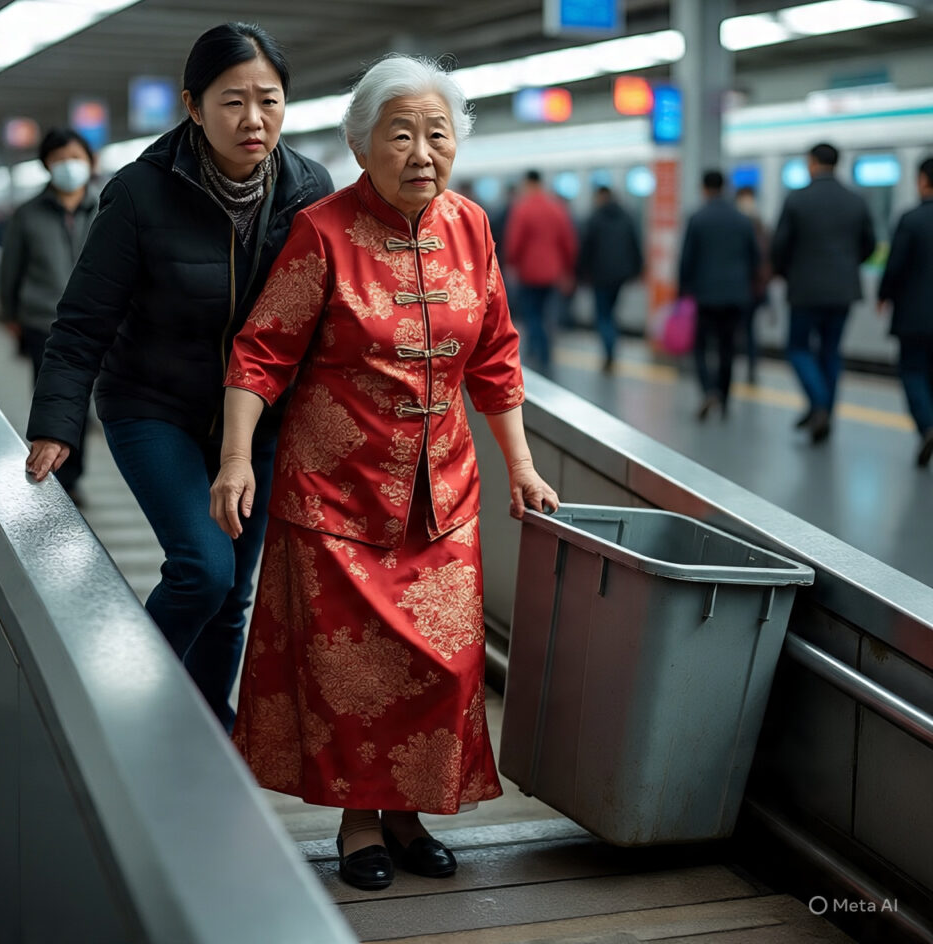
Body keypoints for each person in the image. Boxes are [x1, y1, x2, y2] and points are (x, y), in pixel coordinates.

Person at [209, 56, 559, 892]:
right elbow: (259, 355)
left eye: (437, 133)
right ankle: (359, 824)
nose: (420, 151)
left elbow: (498, 359)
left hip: (443, 493)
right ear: (362, 145)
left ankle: (409, 815)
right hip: (335, 494)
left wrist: (522, 466)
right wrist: (233, 460)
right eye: (399, 133)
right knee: (347, 675)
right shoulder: (322, 231)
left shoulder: (472, 228)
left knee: (442, 667)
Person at [23, 22, 334, 729]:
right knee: (204, 567)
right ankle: (124, 710)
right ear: (193, 106)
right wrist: (56, 424)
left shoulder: (310, 188)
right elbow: (81, 324)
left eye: (269, 100)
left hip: (257, 421)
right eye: (232, 101)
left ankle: (202, 732)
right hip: (153, 407)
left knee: (233, 595)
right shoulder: (140, 193)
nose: (254, 119)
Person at [0, 127, 99, 499]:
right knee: (54, 392)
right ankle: (59, 474)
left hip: (95, 320)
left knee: (83, 397)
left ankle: (74, 473)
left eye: (74, 157)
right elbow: (11, 267)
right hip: (43, 319)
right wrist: (10, 313)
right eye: (58, 160)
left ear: (91, 162)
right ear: (45, 165)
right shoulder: (28, 214)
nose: (67, 166)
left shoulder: (108, 208)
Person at [771, 143, 875, 444]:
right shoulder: (856, 200)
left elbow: (780, 247)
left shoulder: (797, 200)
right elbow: (868, 244)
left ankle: (819, 404)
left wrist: (785, 272)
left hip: (804, 290)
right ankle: (825, 412)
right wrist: (846, 266)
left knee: (798, 348)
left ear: (812, 163)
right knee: (831, 351)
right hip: (843, 290)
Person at [679, 170, 760, 419]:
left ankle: (708, 390)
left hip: (705, 295)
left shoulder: (698, 218)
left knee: (701, 347)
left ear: (703, 188)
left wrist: (683, 290)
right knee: (728, 348)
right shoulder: (741, 219)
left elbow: (687, 259)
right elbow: (755, 257)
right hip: (736, 295)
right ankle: (724, 398)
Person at [878, 157, 933, 468]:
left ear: (923, 180)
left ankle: (927, 426)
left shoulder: (910, 219)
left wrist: (884, 295)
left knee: (913, 372)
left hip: (914, 315)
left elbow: (896, 265)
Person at [503, 170, 577, 375]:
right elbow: (568, 242)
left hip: (529, 272)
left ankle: (537, 351)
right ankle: (545, 351)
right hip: (553, 272)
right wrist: (568, 270)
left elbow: (514, 242)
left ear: (528, 183)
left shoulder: (522, 209)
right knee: (547, 313)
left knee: (532, 314)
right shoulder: (557, 208)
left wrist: (511, 264)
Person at [577, 185, 643, 372]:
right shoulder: (626, 216)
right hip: (620, 275)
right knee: (611, 313)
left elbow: (586, 249)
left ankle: (609, 351)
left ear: (600, 197)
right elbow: (635, 244)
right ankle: (612, 346)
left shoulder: (595, 219)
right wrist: (637, 269)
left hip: (599, 275)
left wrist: (581, 272)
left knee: (603, 315)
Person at [734, 184, 772, 382]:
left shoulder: (737, 224)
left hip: (742, 287)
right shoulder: (760, 224)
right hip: (754, 288)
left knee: (738, 330)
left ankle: (742, 368)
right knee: (748, 330)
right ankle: (750, 368)